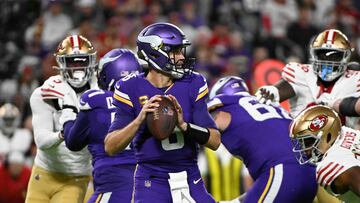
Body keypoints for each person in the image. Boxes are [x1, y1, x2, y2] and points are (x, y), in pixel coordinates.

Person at [104, 22, 221, 203]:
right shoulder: (130, 87)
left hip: (190, 176)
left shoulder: (193, 82)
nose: (182, 57)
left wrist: (184, 126)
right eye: (175, 51)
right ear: (154, 53)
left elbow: (214, 141)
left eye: (181, 51)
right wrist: (139, 120)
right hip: (152, 180)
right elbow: (110, 147)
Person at [207, 76, 318, 203]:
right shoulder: (274, 107)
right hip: (309, 174)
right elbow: (266, 191)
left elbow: (195, 117)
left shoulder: (223, 105)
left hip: (281, 172)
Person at [61, 48, 142, 203]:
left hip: (112, 185)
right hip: (150, 184)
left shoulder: (94, 101)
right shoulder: (149, 100)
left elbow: (73, 142)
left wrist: (67, 116)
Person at [27, 34, 98, 203]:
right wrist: (63, 134)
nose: (78, 68)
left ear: (91, 62)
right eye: (73, 62)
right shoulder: (46, 93)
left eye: (82, 61)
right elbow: (41, 141)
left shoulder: (100, 92)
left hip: (76, 175)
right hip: (44, 171)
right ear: (61, 63)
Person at [255, 29, 360, 129]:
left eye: (334, 56)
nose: (328, 61)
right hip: (298, 144)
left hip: (340, 144)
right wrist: (274, 91)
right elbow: (283, 88)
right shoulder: (302, 73)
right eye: (323, 55)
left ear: (346, 56)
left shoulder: (355, 79)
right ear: (314, 54)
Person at [290, 105, 360, 202]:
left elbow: (352, 175)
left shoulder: (331, 164)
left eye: (308, 142)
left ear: (328, 136)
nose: (305, 150)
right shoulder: (347, 132)